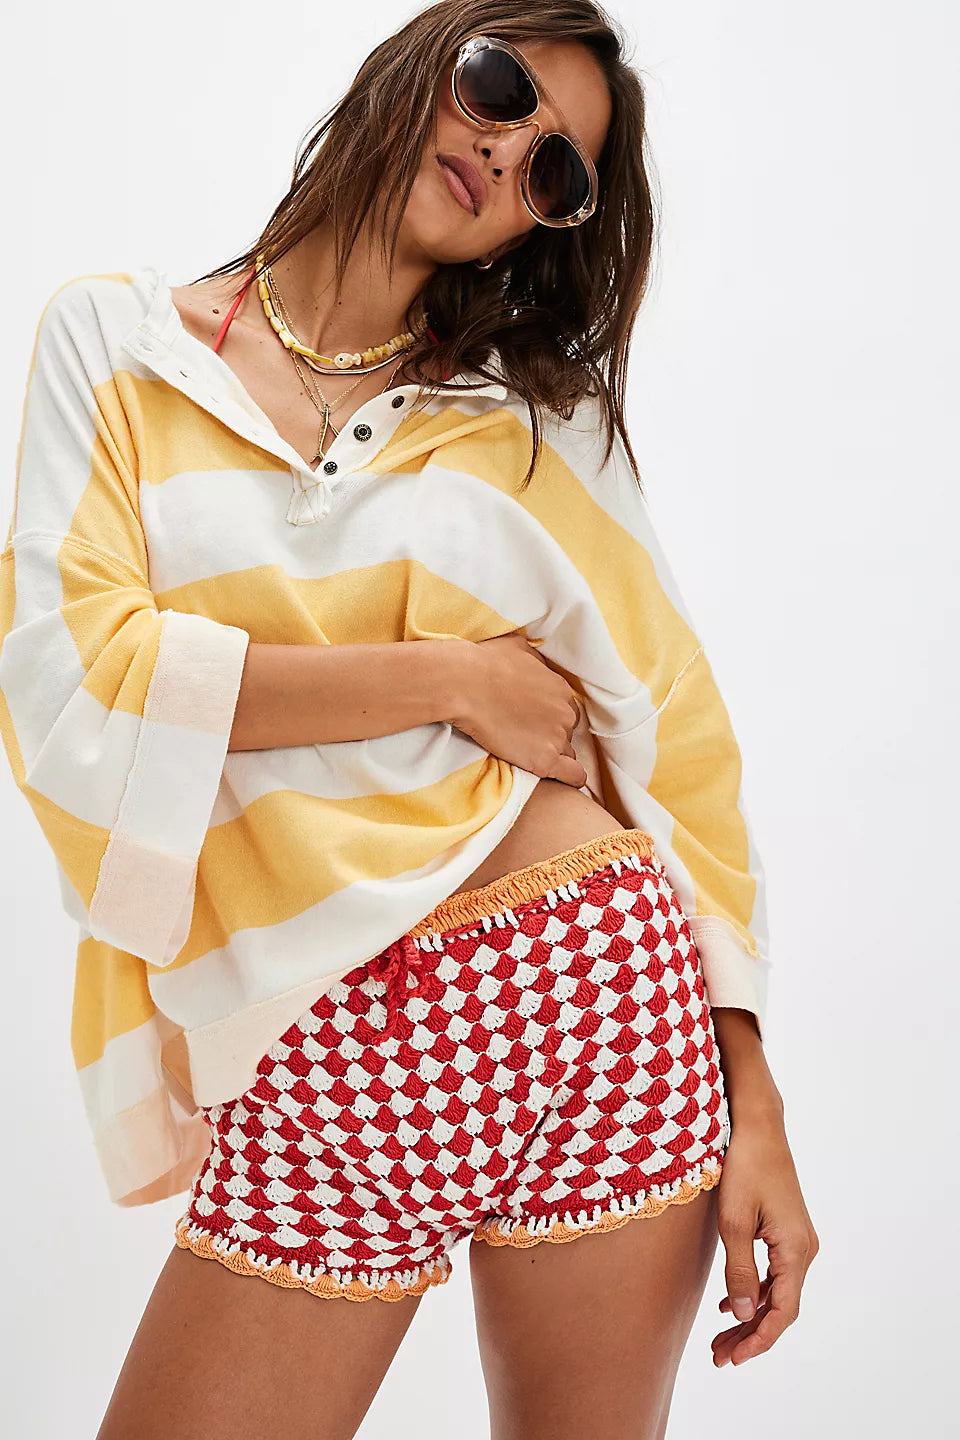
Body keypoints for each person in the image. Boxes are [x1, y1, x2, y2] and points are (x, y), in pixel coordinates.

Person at [0, 3, 818, 1437]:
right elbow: (73, 682)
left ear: (536, 230)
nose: (505, 151)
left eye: (554, 171)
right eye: (497, 87)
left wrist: (760, 1104)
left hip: (601, 991)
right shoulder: (119, 350)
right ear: (420, 61)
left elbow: (677, 745)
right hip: (333, 1032)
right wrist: (450, 680)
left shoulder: (529, 425)